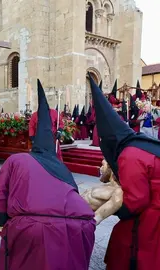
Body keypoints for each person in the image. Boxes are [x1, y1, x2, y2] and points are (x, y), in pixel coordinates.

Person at [0, 79, 95, 270]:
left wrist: (0, 224)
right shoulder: (63, 169)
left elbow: (1, 197)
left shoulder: (16, 160)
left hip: (31, 225)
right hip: (82, 227)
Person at [88, 75, 160, 270]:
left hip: (153, 213)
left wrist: (113, 207)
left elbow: (137, 201)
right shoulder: (139, 142)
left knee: (127, 241)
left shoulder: (128, 155)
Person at [28, 97, 64, 161]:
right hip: (39, 139)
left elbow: (61, 123)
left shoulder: (54, 112)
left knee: (56, 155)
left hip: (52, 138)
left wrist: (59, 131)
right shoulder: (35, 115)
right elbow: (31, 126)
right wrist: (32, 137)